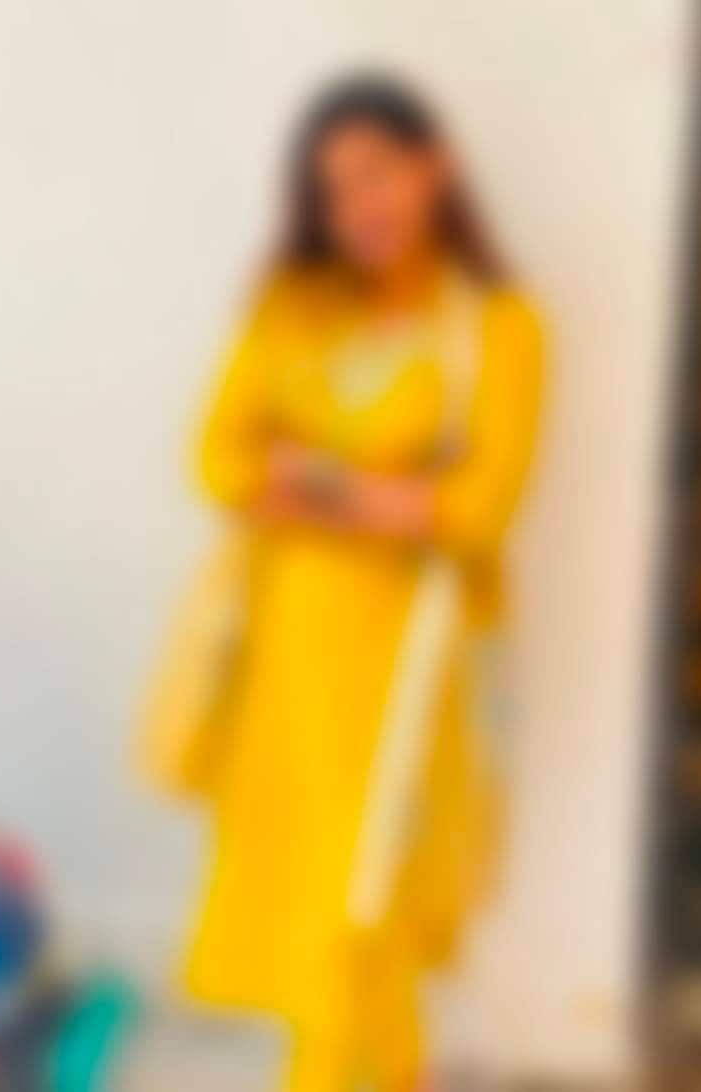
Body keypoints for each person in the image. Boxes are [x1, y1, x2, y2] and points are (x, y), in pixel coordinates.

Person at [177, 73, 544, 1092]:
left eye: (378, 173)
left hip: (408, 668)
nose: (360, 206)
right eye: (334, 190)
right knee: (310, 908)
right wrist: (391, 493)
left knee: (366, 903)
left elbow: (478, 507)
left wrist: (313, 480)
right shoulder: (294, 306)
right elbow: (218, 460)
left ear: (436, 165)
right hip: (286, 664)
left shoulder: (497, 325)